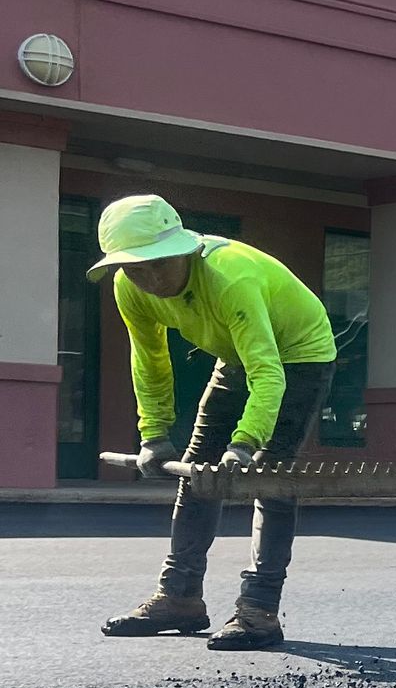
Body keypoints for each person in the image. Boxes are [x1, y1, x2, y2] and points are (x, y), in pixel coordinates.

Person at [90, 196, 336, 650]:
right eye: (135, 268)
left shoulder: (229, 276)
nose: (151, 279)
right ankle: (179, 597)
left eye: (158, 265)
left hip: (298, 354)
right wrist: (154, 435)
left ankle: (259, 610)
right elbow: (149, 360)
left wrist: (245, 445)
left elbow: (267, 370)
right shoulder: (130, 287)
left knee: (271, 476)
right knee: (198, 472)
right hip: (234, 356)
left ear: (182, 250)